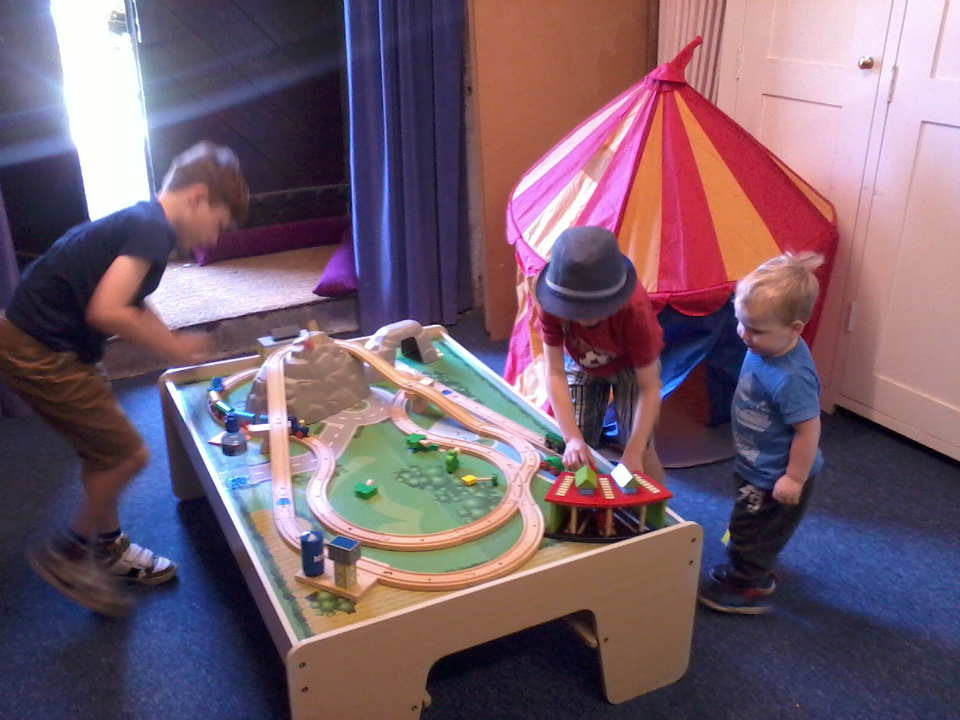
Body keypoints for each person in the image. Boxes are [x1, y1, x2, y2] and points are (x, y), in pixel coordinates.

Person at [0, 141, 248, 617]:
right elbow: (108, 310)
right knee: (129, 454)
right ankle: (69, 554)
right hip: (39, 350)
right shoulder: (152, 231)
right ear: (197, 197)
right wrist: (172, 349)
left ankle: (108, 547)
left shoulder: (142, 222)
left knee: (104, 451)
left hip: (43, 342)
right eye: (218, 224)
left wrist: (171, 339)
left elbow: (130, 300)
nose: (212, 239)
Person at [698, 251, 825, 615]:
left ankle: (749, 584)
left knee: (755, 531)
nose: (744, 335)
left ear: (794, 329)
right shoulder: (765, 346)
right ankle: (751, 565)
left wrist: (793, 479)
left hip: (779, 475)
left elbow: (808, 429)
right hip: (756, 462)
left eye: (755, 329)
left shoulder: (791, 377)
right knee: (748, 522)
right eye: (741, 323)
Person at [534, 226, 666, 485]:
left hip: (631, 368)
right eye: (574, 311)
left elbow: (650, 388)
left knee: (640, 446)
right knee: (575, 446)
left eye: (595, 310)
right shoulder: (551, 304)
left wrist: (634, 452)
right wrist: (573, 438)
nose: (585, 319)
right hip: (584, 362)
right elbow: (554, 372)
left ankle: (661, 512)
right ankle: (585, 506)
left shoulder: (634, 311)